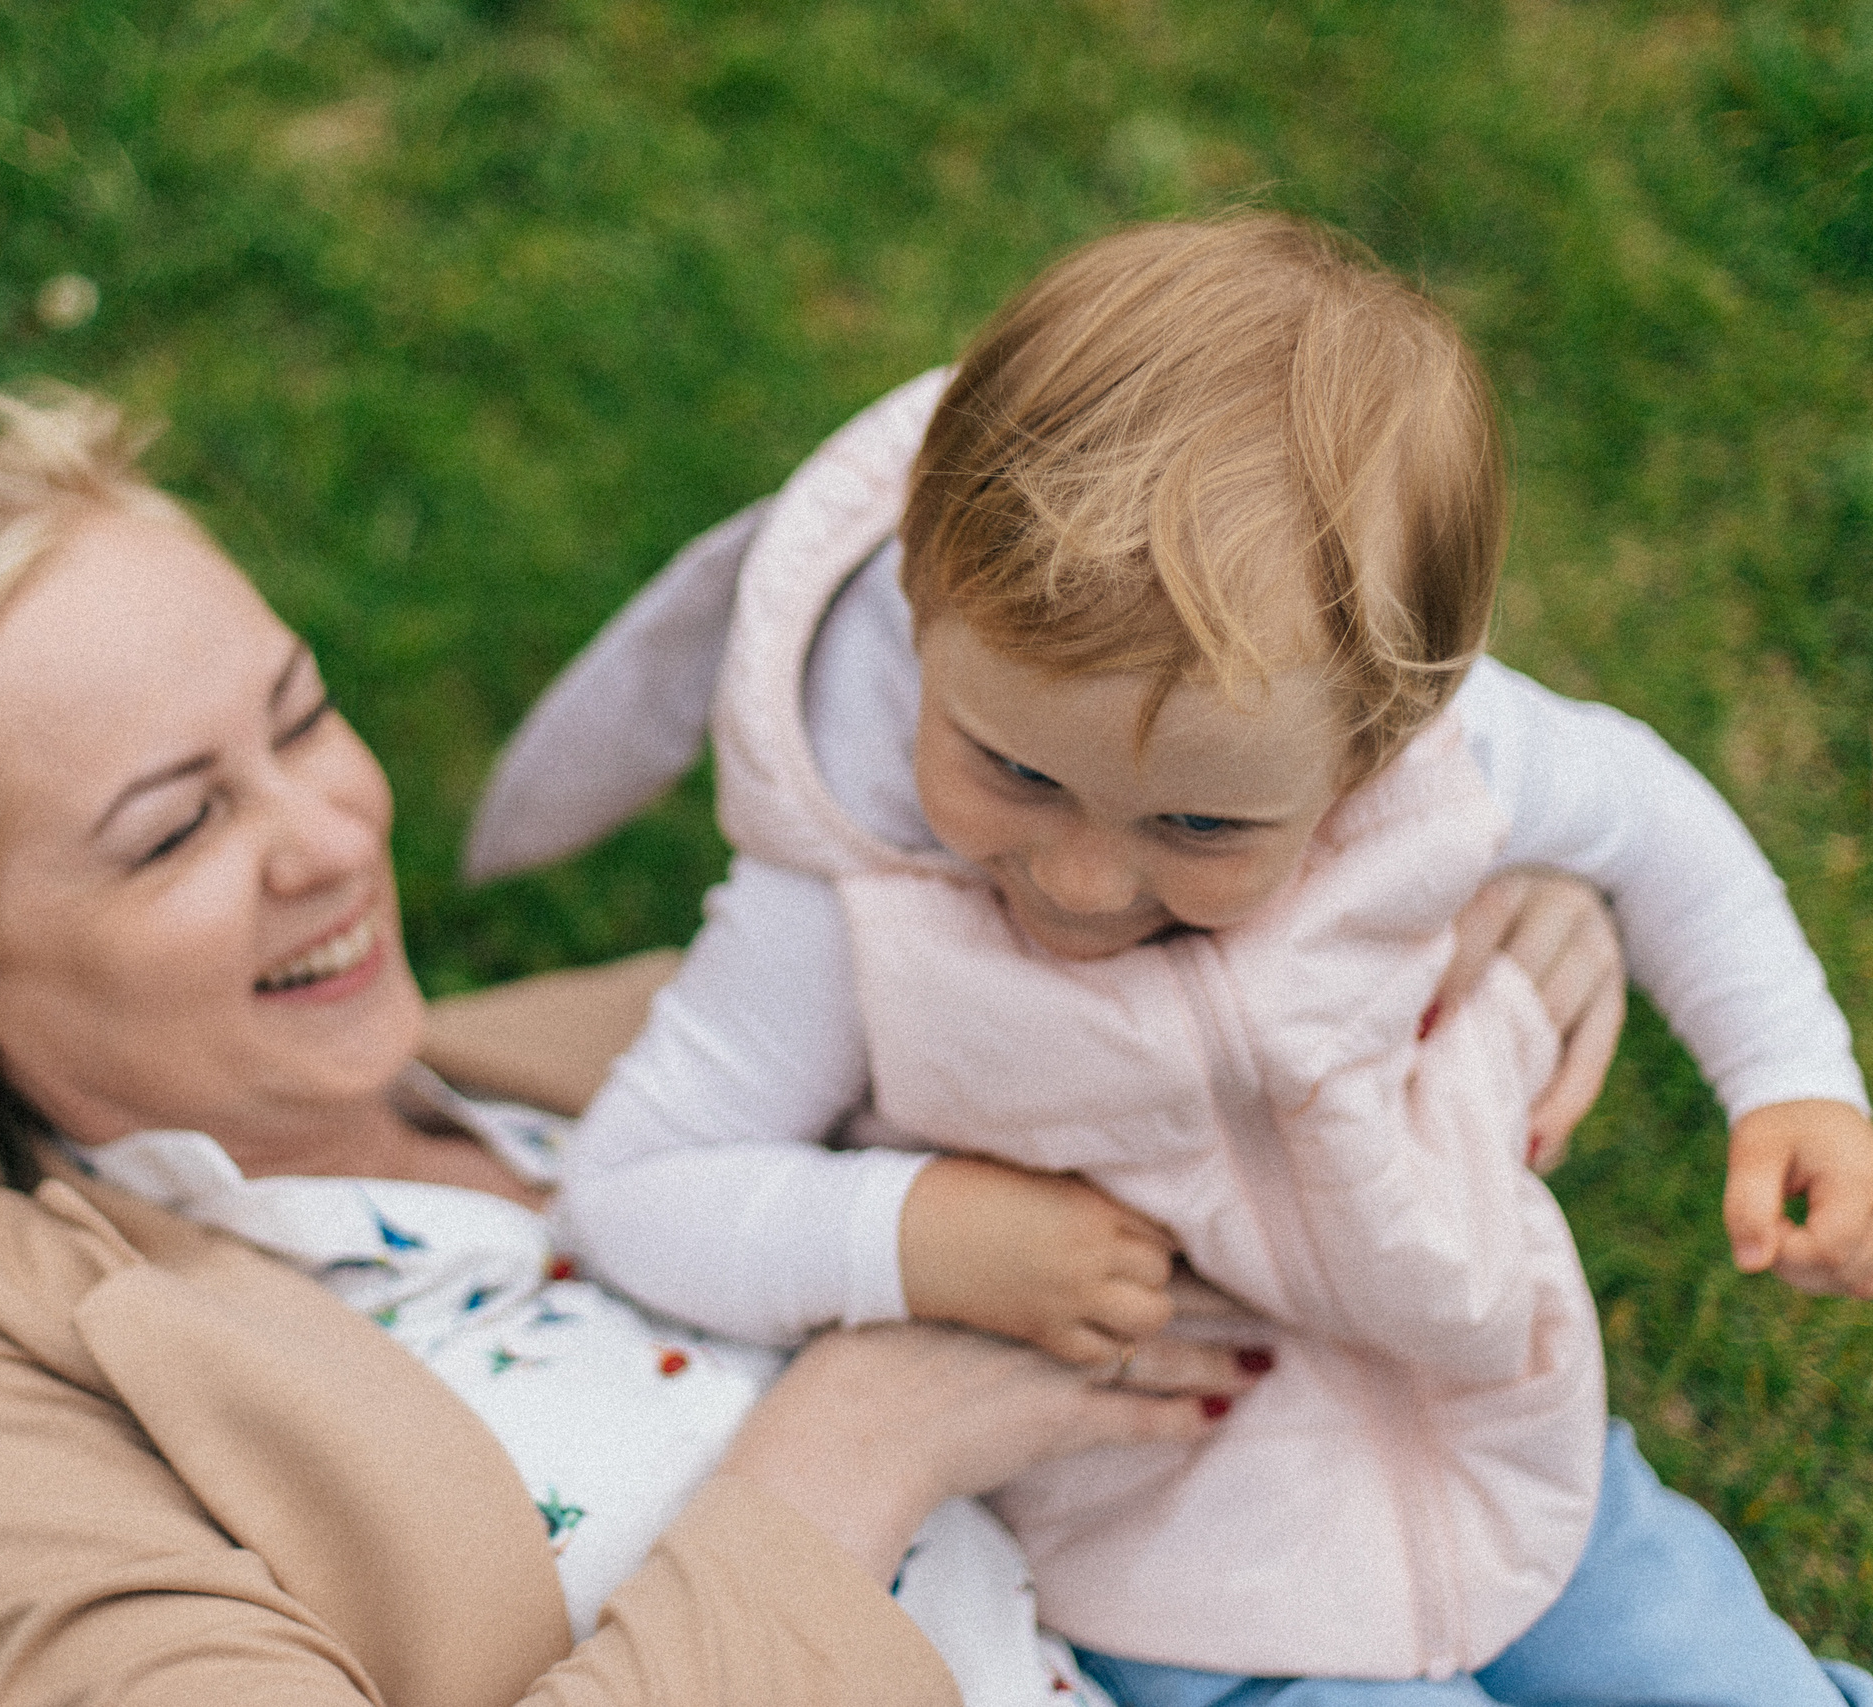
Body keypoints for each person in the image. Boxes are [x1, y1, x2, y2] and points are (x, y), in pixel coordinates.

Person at [0, 384, 1620, 1705]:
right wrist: (861, 1439)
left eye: (297, 719)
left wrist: (1485, 939)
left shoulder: (618, 1055)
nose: (324, 834)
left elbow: (1156, 981)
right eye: (174, 826)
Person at [547, 217, 1873, 1703]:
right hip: (1183, 1568)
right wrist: (922, 1232)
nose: (1082, 876)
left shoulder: (1441, 755)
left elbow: (1657, 822)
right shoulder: (849, 896)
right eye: (1013, 772)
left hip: (1504, 1435)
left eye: (1198, 822)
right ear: (925, 614)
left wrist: (1793, 1081)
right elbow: (635, 1187)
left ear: (1381, 738)